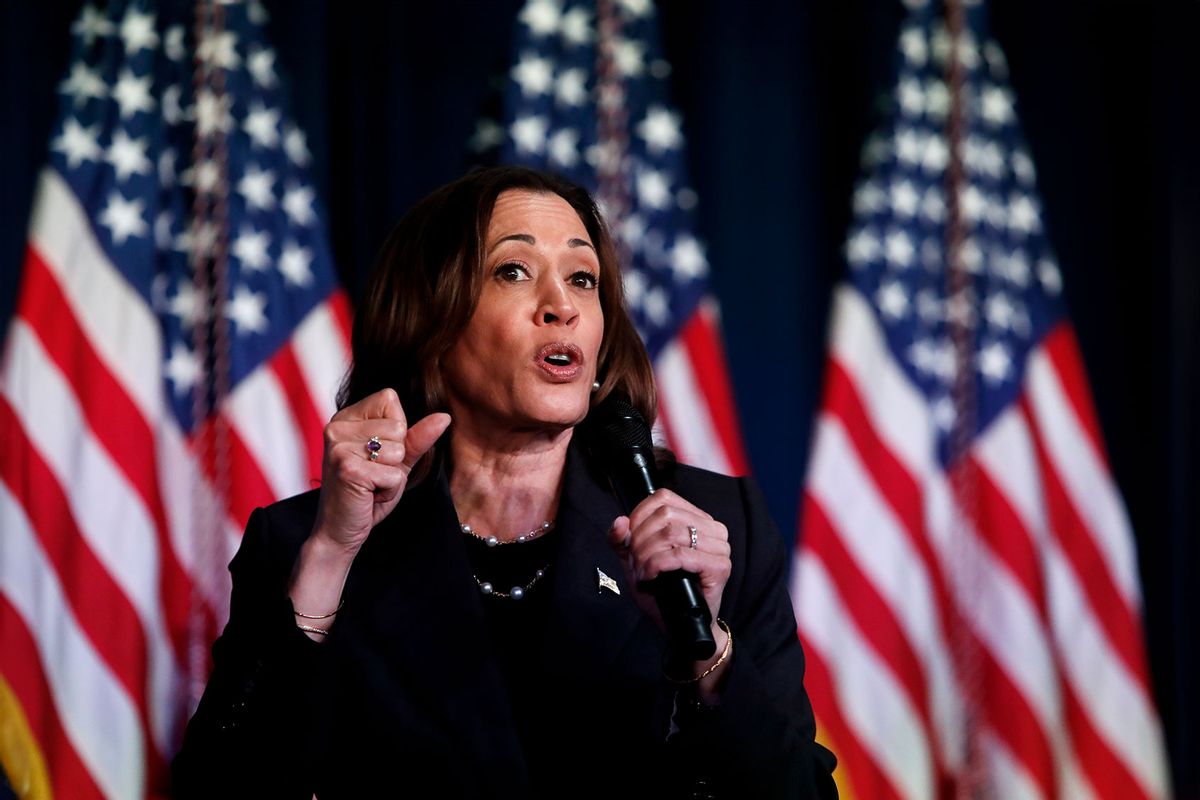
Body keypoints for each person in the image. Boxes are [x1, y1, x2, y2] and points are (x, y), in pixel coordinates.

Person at [172, 166, 838, 799]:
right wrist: (329, 558)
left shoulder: (718, 526)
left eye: (583, 279)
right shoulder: (304, 544)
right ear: (430, 322)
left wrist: (707, 653)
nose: (561, 307)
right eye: (513, 271)